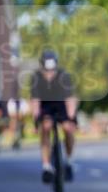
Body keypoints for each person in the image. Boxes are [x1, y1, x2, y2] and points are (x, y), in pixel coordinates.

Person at [29, 49, 78, 183]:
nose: (49, 73)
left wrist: (71, 117)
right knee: (46, 127)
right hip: (46, 106)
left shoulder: (64, 76)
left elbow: (70, 98)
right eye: (46, 70)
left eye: (52, 70)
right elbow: (35, 101)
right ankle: (46, 166)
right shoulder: (36, 77)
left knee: (68, 129)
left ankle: (69, 161)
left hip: (61, 104)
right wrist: (36, 119)